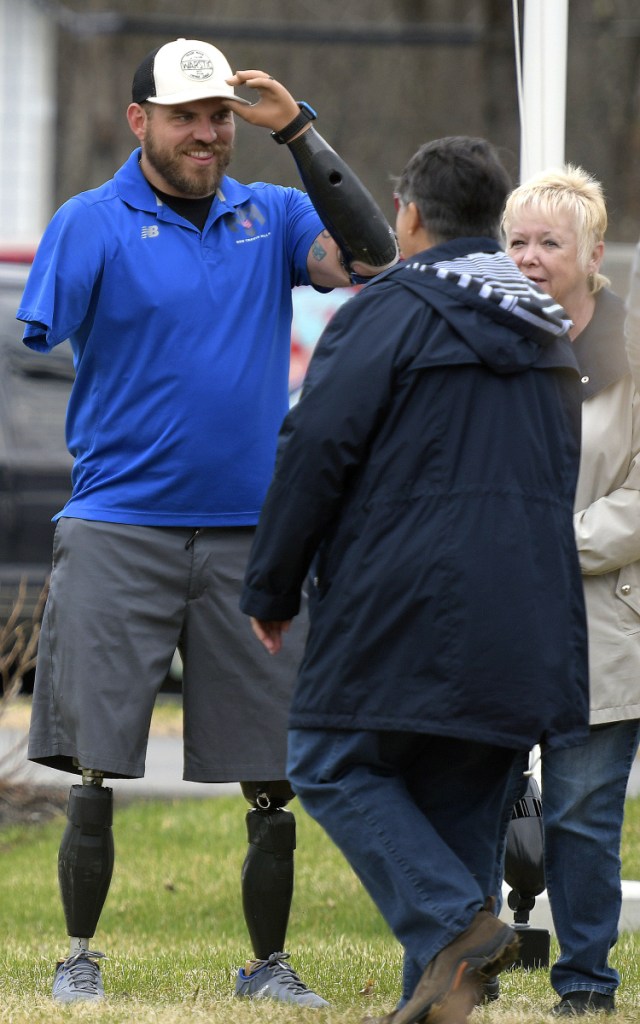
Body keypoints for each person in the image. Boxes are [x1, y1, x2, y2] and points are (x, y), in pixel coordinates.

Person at [16, 37, 398, 1006]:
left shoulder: (267, 216)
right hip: (117, 526)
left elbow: (370, 254)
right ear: (139, 119)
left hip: (249, 536)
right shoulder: (89, 221)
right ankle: (76, 957)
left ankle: (267, 964)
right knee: (95, 760)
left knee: (272, 772)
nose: (208, 133)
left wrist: (299, 130)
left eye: (220, 115)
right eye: (187, 115)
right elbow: (40, 333)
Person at [239, 135, 590, 1024]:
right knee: (459, 817)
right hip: (527, 611)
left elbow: (316, 448)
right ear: (496, 223)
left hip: (402, 598)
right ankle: (443, 989)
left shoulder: (389, 308)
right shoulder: (547, 328)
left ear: (409, 215)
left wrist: (272, 587)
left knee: (324, 758)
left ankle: (452, 929)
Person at [503, 165, 640, 1017]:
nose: (528, 257)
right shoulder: (480, 340)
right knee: (473, 796)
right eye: (515, 240)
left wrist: (553, 544)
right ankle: (465, 951)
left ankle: (585, 979)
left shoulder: (632, 359)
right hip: (492, 620)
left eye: (549, 242)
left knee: (584, 816)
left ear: (591, 254)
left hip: (602, 622)